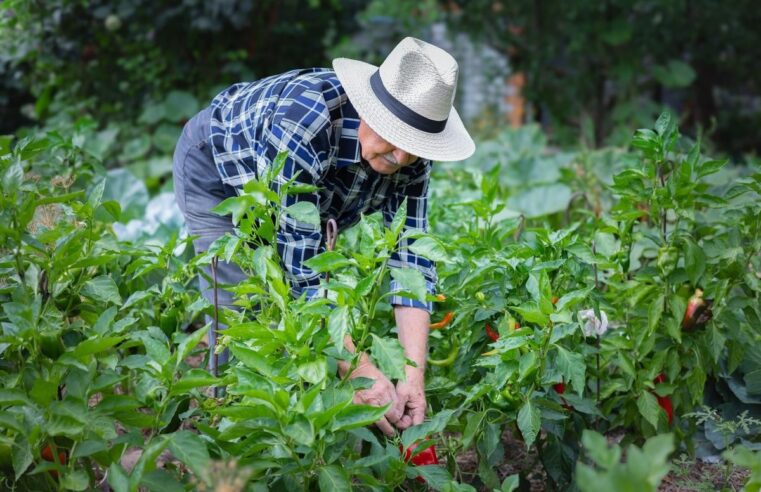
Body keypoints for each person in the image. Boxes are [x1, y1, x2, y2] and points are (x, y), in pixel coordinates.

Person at [172, 37, 475, 434]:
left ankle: (302, 432)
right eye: (395, 136)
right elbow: (303, 274)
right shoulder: (307, 119)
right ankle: (221, 441)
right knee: (241, 317)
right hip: (218, 171)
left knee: (318, 331)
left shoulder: (410, 161)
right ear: (369, 109)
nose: (401, 158)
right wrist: (362, 373)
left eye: (414, 146)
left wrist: (412, 376)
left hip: (301, 199)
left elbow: (410, 259)